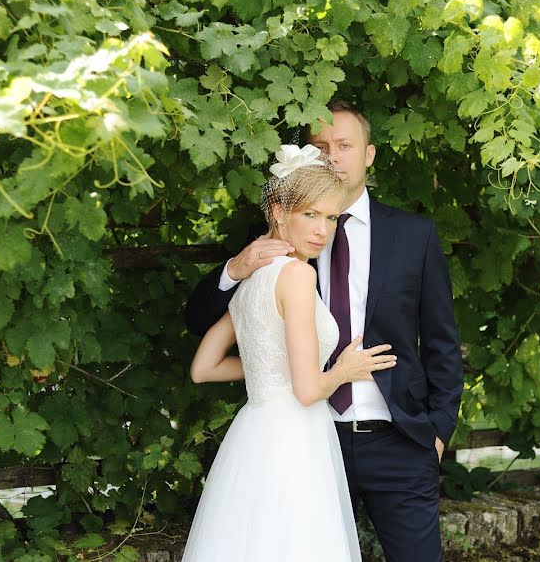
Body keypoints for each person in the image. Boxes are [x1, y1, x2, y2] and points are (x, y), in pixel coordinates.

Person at [185, 101, 464, 562]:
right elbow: (201, 320)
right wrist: (235, 267)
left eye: (345, 145)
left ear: (368, 154)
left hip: (397, 438)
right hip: (310, 438)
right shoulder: (279, 244)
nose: (333, 156)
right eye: (321, 146)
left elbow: (442, 343)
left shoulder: (414, 235)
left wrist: (438, 433)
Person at [181, 145, 398, 562]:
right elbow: (306, 390)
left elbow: (203, 368)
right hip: (296, 437)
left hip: (255, 434)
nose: (323, 229)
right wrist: (344, 370)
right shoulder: (297, 275)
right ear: (279, 212)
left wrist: (270, 371)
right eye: (310, 215)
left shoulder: (255, 274)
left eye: (331, 217)